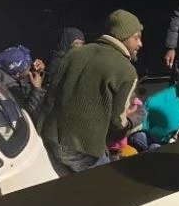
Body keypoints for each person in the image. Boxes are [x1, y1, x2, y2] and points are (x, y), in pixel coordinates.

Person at [37, 10, 147, 173]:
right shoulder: (126, 71)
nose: (140, 44)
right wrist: (131, 119)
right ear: (122, 36)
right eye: (136, 38)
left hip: (50, 137)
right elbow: (118, 124)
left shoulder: (75, 53)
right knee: (109, 182)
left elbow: (51, 95)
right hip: (82, 152)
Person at [0, 44, 46, 121]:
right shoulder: (11, 91)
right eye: (29, 69)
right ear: (17, 75)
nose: (32, 69)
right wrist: (36, 90)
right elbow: (27, 117)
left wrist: (41, 72)